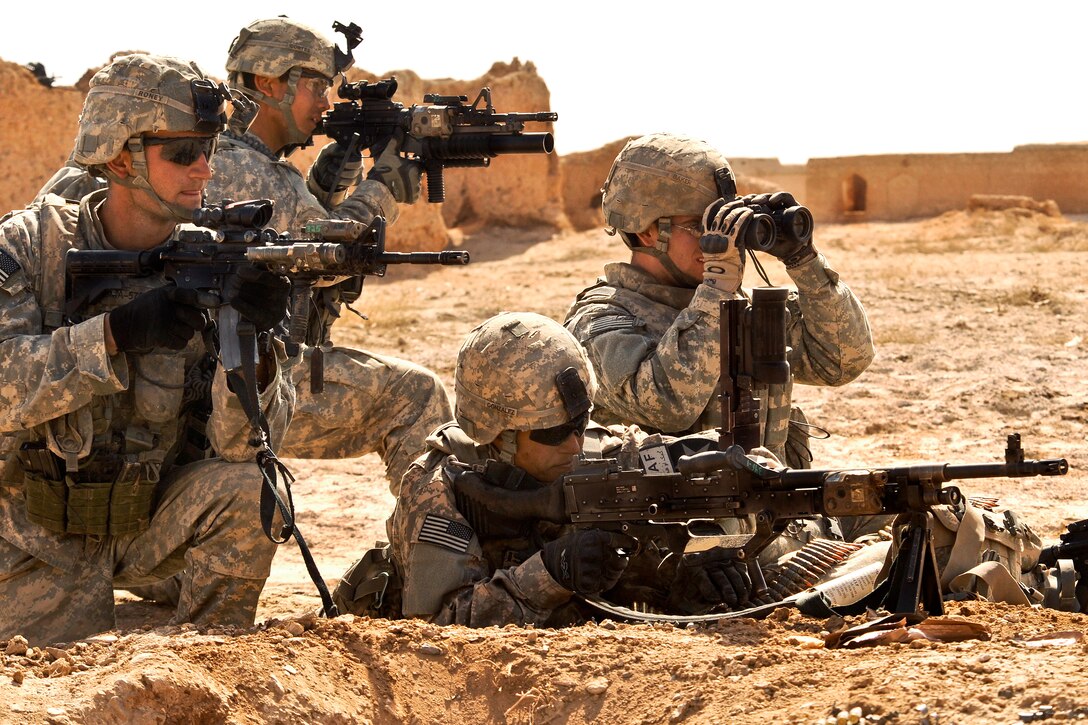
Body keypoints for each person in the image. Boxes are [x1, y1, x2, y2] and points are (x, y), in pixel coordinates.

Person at [35, 16, 451, 491]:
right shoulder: (249, 172)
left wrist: (320, 185)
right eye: (316, 84)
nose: (325, 102)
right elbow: (330, 259)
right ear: (270, 82)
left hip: (164, 375)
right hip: (207, 381)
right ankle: (436, 545)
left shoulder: (229, 162)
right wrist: (387, 184)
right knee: (416, 397)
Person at [0, 54, 295, 646]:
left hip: (147, 521)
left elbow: (243, 448)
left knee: (256, 489)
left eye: (208, 149)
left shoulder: (212, 258)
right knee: (57, 682)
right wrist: (115, 335)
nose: (204, 170)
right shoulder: (30, 247)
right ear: (117, 157)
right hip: (30, 535)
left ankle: (211, 663)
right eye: (182, 152)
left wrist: (253, 344)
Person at [333, 312, 757, 626]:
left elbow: (700, 465)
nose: (575, 443)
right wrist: (549, 574)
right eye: (553, 433)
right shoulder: (439, 487)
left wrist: (697, 563)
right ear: (498, 435)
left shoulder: (602, 452)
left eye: (580, 423)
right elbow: (437, 630)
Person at [564, 132, 876, 471]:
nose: (722, 239)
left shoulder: (730, 306)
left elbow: (841, 361)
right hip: (675, 517)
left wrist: (804, 261)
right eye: (702, 224)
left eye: (726, 220)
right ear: (647, 232)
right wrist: (716, 291)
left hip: (769, 506)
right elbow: (667, 405)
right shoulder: (599, 320)